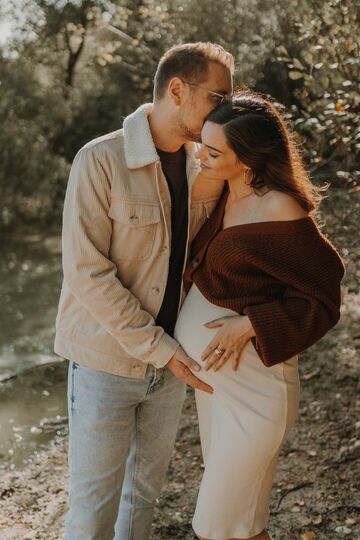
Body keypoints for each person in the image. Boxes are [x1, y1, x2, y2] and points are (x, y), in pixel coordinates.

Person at [54, 42, 234, 540]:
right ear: (177, 90)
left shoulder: (209, 168)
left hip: (172, 367)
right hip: (104, 364)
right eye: (219, 98)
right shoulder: (100, 160)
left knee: (141, 505)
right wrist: (161, 349)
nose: (226, 111)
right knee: (93, 513)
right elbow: (86, 274)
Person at [174, 89, 345, 540]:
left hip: (255, 395)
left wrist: (250, 324)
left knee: (215, 527)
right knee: (243, 527)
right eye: (202, 146)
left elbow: (324, 297)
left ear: (247, 159)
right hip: (218, 389)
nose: (202, 157)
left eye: (213, 152)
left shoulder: (279, 208)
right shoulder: (224, 189)